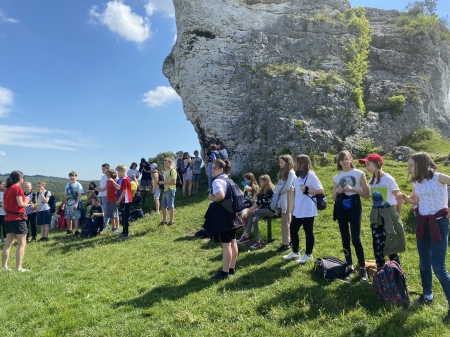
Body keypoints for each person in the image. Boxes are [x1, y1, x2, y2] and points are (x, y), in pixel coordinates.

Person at [398, 152, 450, 323]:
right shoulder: (417, 182)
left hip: (439, 224)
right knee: (424, 264)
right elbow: (414, 199)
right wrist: (404, 197)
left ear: (420, 165)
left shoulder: (438, 177)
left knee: (439, 267)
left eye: (411, 165)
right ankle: (427, 296)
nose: (408, 169)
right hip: (423, 224)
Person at [359, 153, 405, 270]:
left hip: (388, 214)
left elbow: (399, 199)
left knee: (389, 244)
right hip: (376, 215)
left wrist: (396, 216)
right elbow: (367, 195)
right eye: (365, 165)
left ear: (377, 164)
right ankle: (381, 274)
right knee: (377, 245)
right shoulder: (372, 180)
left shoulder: (388, 179)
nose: (367, 167)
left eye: (368, 164)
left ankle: (397, 274)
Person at [332, 150, 369, 282]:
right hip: (341, 207)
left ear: (351, 159)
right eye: (341, 160)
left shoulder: (359, 173)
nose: (344, 161)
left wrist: (352, 189)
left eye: (346, 159)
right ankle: (350, 267)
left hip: (354, 206)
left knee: (356, 239)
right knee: (344, 237)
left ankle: (363, 269)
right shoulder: (337, 177)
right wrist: (337, 190)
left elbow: (366, 194)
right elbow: (333, 198)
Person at [203, 159, 243, 279]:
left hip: (222, 215)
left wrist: (212, 197)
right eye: (211, 168)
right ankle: (231, 268)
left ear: (221, 169)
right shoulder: (230, 180)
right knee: (233, 241)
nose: (212, 170)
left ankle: (224, 272)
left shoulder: (218, 181)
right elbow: (240, 193)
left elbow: (220, 196)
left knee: (226, 245)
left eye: (214, 168)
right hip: (231, 214)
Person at [283, 155, 324, 264]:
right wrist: (294, 207)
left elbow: (320, 190)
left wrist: (307, 190)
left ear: (303, 163)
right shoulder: (300, 175)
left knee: (308, 231)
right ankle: (295, 252)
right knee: (293, 229)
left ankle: (308, 254)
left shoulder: (311, 175)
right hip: (298, 208)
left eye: (298, 162)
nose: (296, 164)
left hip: (308, 209)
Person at [2, 171, 30, 272]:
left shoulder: (7, 190)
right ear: (20, 178)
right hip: (18, 219)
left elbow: (4, 206)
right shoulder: (17, 188)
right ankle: (18, 268)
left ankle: (4, 267)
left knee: (8, 244)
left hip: (8, 218)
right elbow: (20, 203)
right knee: (22, 244)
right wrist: (26, 202)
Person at [238, 174, 275, 249]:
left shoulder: (271, 190)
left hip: (270, 210)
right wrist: (252, 208)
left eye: (261, 182)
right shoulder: (262, 190)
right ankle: (257, 241)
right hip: (262, 210)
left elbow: (265, 201)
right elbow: (258, 201)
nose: (260, 183)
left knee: (253, 213)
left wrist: (253, 209)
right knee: (254, 218)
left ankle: (246, 235)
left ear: (266, 182)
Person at [273, 154, 296, 254]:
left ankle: (286, 244)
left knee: (285, 220)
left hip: (288, 196)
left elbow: (287, 187)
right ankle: (289, 240)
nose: (280, 164)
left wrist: (277, 190)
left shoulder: (291, 173)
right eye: (279, 162)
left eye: (282, 162)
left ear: (287, 163)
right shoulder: (283, 173)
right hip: (284, 196)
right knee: (286, 220)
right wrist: (278, 189)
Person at [115, 164, 133, 240]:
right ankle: (124, 231)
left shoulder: (125, 180)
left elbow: (124, 191)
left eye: (118, 172)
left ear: (122, 171)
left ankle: (126, 234)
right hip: (124, 201)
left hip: (125, 201)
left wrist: (119, 200)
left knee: (125, 218)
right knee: (124, 216)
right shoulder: (125, 179)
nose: (117, 174)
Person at [159, 157, 177, 226]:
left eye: (166, 163)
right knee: (163, 205)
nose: (164, 165)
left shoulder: (172, 171)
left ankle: (171, 221)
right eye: (164, 163)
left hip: (171, 189)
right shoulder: (166, 171)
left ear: (170, 163)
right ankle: (164, 220)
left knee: (170, 205)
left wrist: (163, 182)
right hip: (166, 190)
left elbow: (173, 182)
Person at [96, 163, 110, 233]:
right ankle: (101, 223)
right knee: (101, 210)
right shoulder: (102, 177)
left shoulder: (109, 176)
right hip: (101, 195)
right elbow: (102, 186)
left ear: (108, 169)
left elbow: (107, 186)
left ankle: (105, 224)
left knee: (106, 210)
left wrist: (101, 190)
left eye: (104, 169)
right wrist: (98, 190)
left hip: (106, 195)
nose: (103, 170)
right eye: (102, 169)